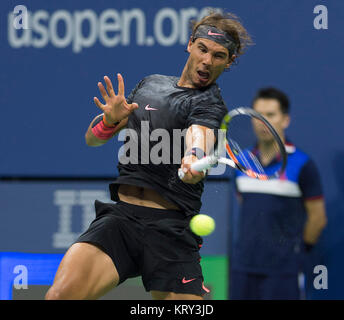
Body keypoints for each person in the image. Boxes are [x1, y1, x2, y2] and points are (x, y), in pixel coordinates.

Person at [45, 11, 251, 300]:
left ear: (228, 62)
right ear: (190, 44)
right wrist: (110, 121)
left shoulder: (210, 104)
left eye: (218, 56)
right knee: (59, 296)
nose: (207, 60)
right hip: (121, 220)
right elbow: (92, 140)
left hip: (171, 231)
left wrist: (194, 157)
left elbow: (200, 136)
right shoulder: (150, 84)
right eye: (203, 49)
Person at [229, 87, 327, 300]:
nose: (262, 121)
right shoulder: (242, 161)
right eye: (257, 115)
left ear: (285, 120)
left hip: (284, 272)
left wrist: (297, 253)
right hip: (243, 268)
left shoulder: (302, 164)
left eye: (270, 115)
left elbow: (317, 219)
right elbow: (244, 204)